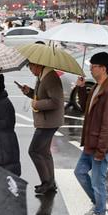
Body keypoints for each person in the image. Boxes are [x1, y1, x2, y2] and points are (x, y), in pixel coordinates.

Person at [75, 51, 108, 215]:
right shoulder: (98, 86)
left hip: (100, 146)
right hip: (90, 143)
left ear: (103, 68)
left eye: (93, 66)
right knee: (79, 172)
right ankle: (100, 204)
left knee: (97, 181)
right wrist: (81, 88)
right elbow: (86, 108)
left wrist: (101, 151)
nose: (91, 69)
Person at [18, 63, 63, 196]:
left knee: (34, 150)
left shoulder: (50, 78)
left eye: (31, 68)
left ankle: (46, 183)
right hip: (47, 121)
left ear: (37, 65)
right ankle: (50, 183)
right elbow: (42, 96)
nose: (31, 71)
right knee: (44, 151)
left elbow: (56, 101)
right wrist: (30, 92)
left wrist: (37, 104)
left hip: (48, 122)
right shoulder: (42, 76)